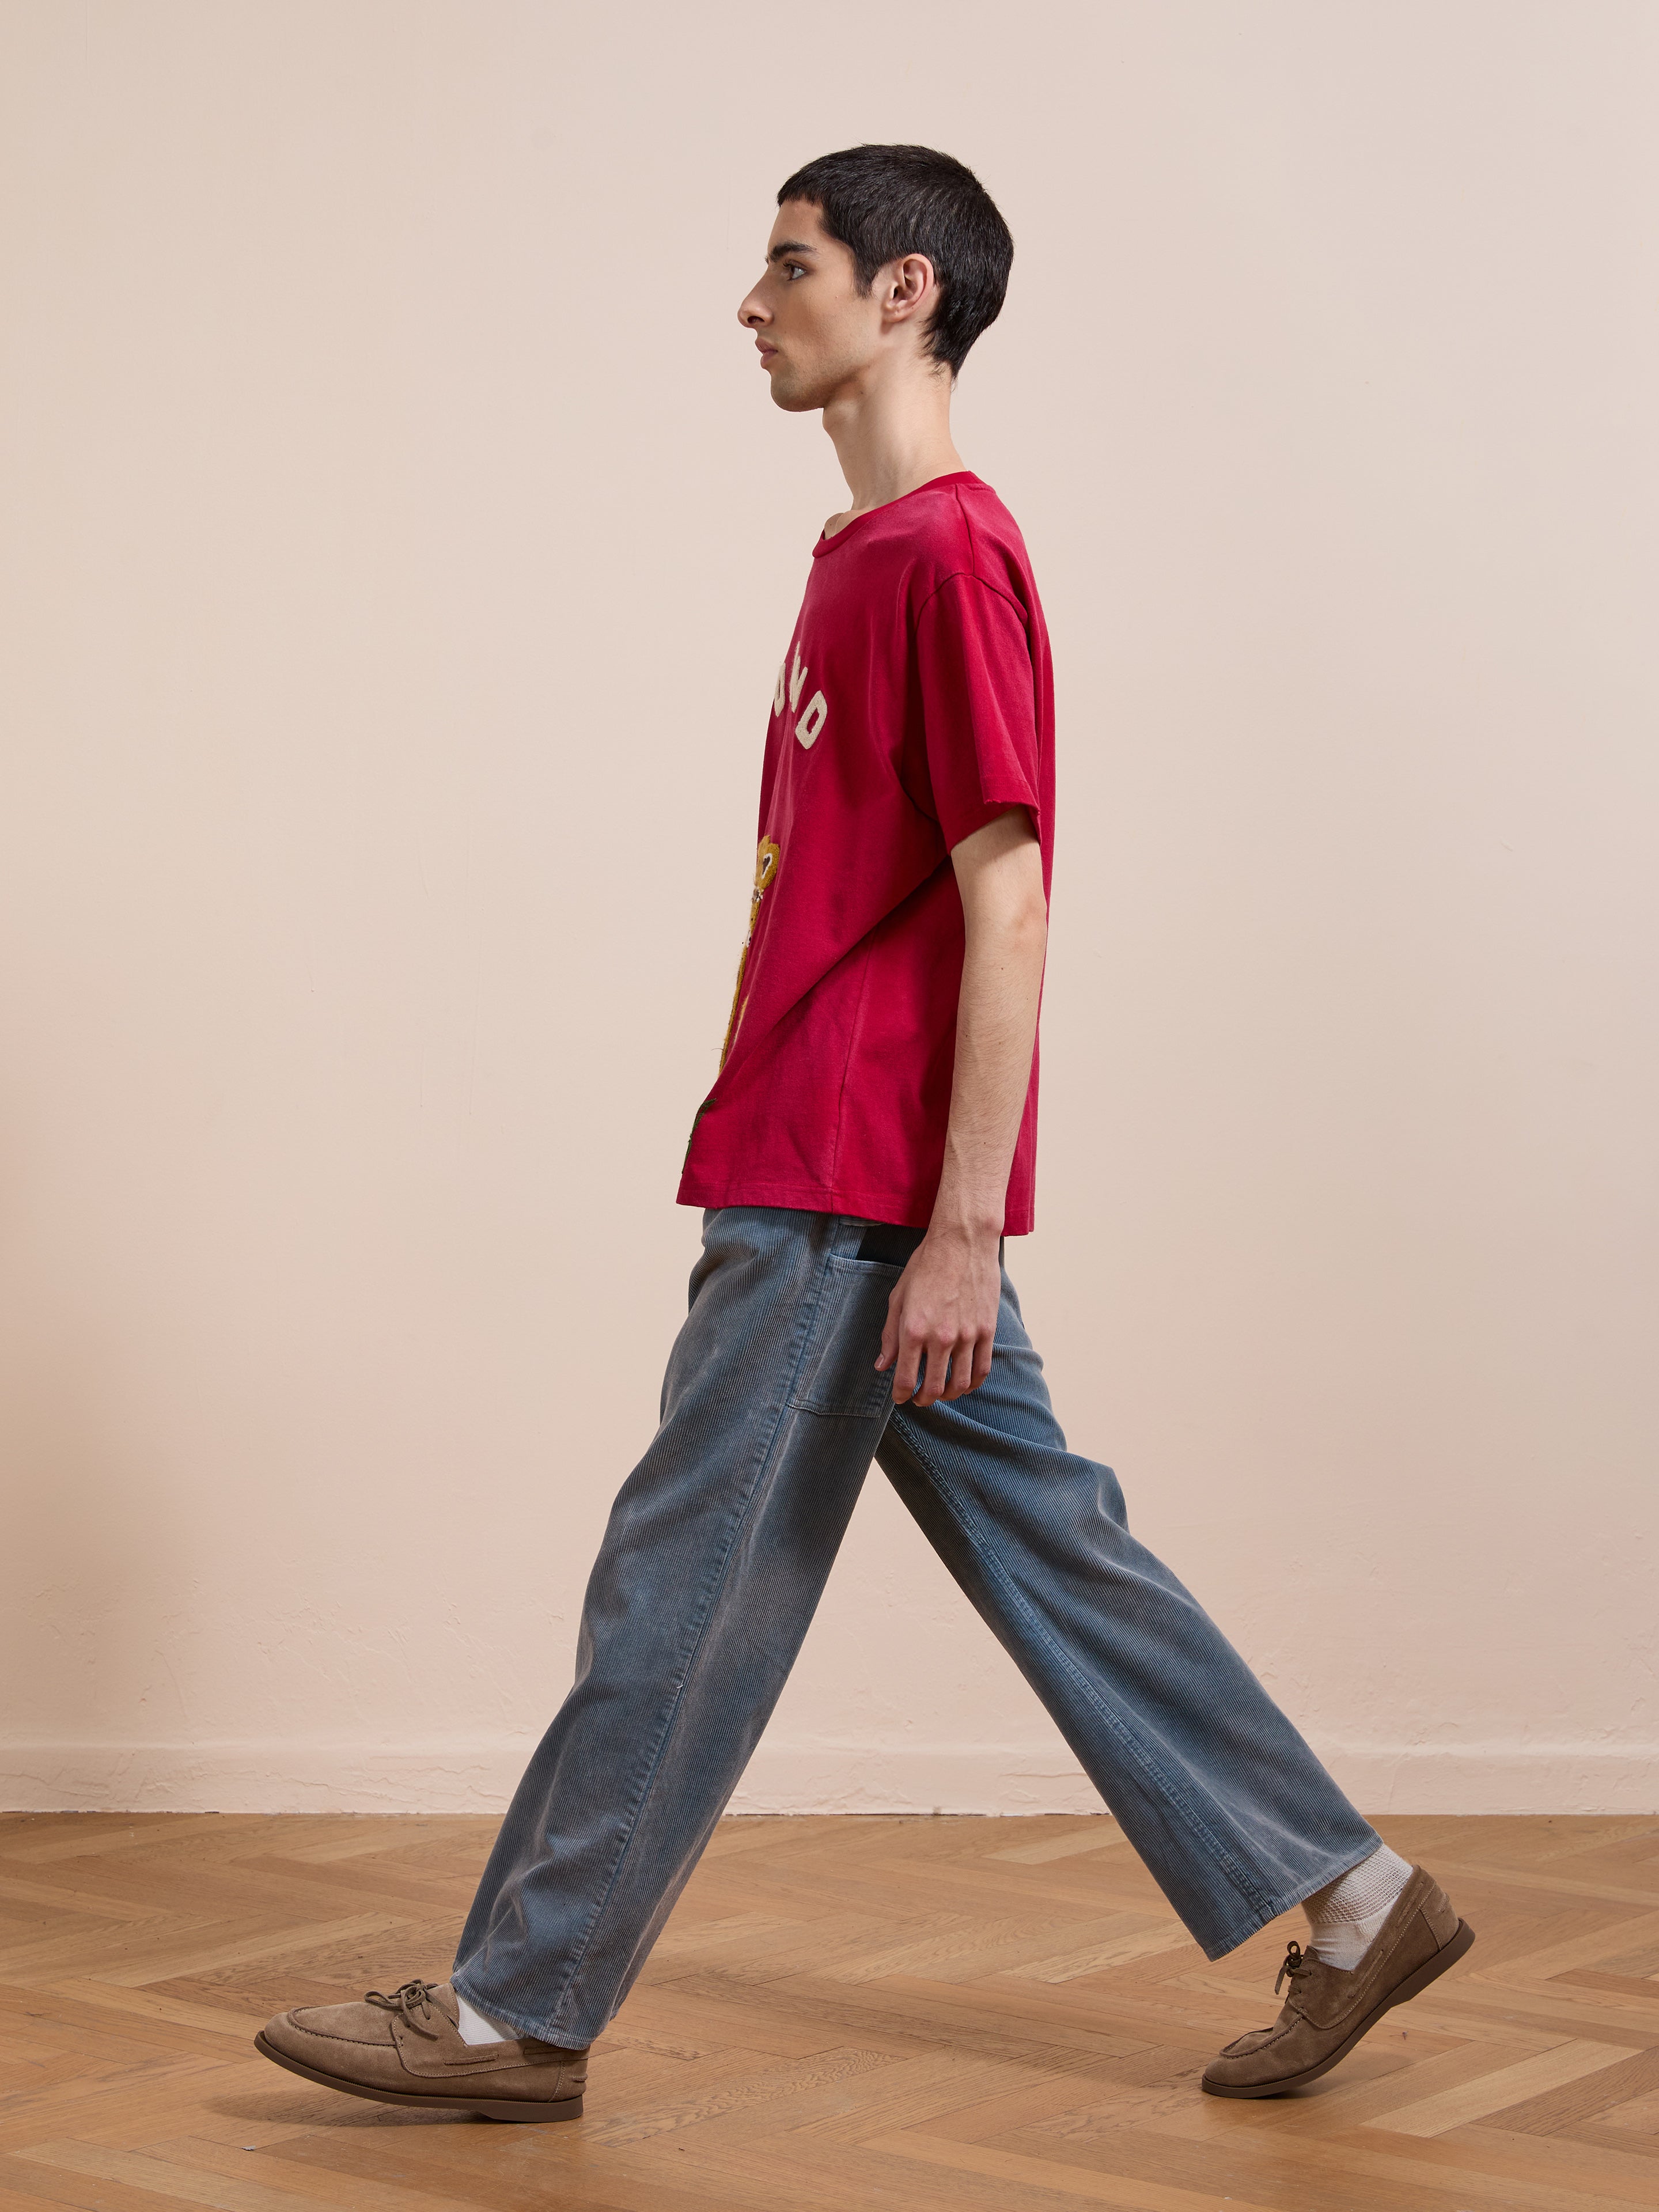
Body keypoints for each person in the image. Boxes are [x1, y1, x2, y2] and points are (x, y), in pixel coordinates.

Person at [253, 143, 1472, 2124]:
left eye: (792, 265)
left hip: (846, 1187)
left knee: (679, 1581)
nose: (754, 304)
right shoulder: (862, 557)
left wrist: (962, 1228)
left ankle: (513, 2012)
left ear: (906, 293)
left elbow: (1013, 899)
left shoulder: (945, 557)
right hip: (839, 1169)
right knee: (1051, 1548)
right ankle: (1356, 1897)